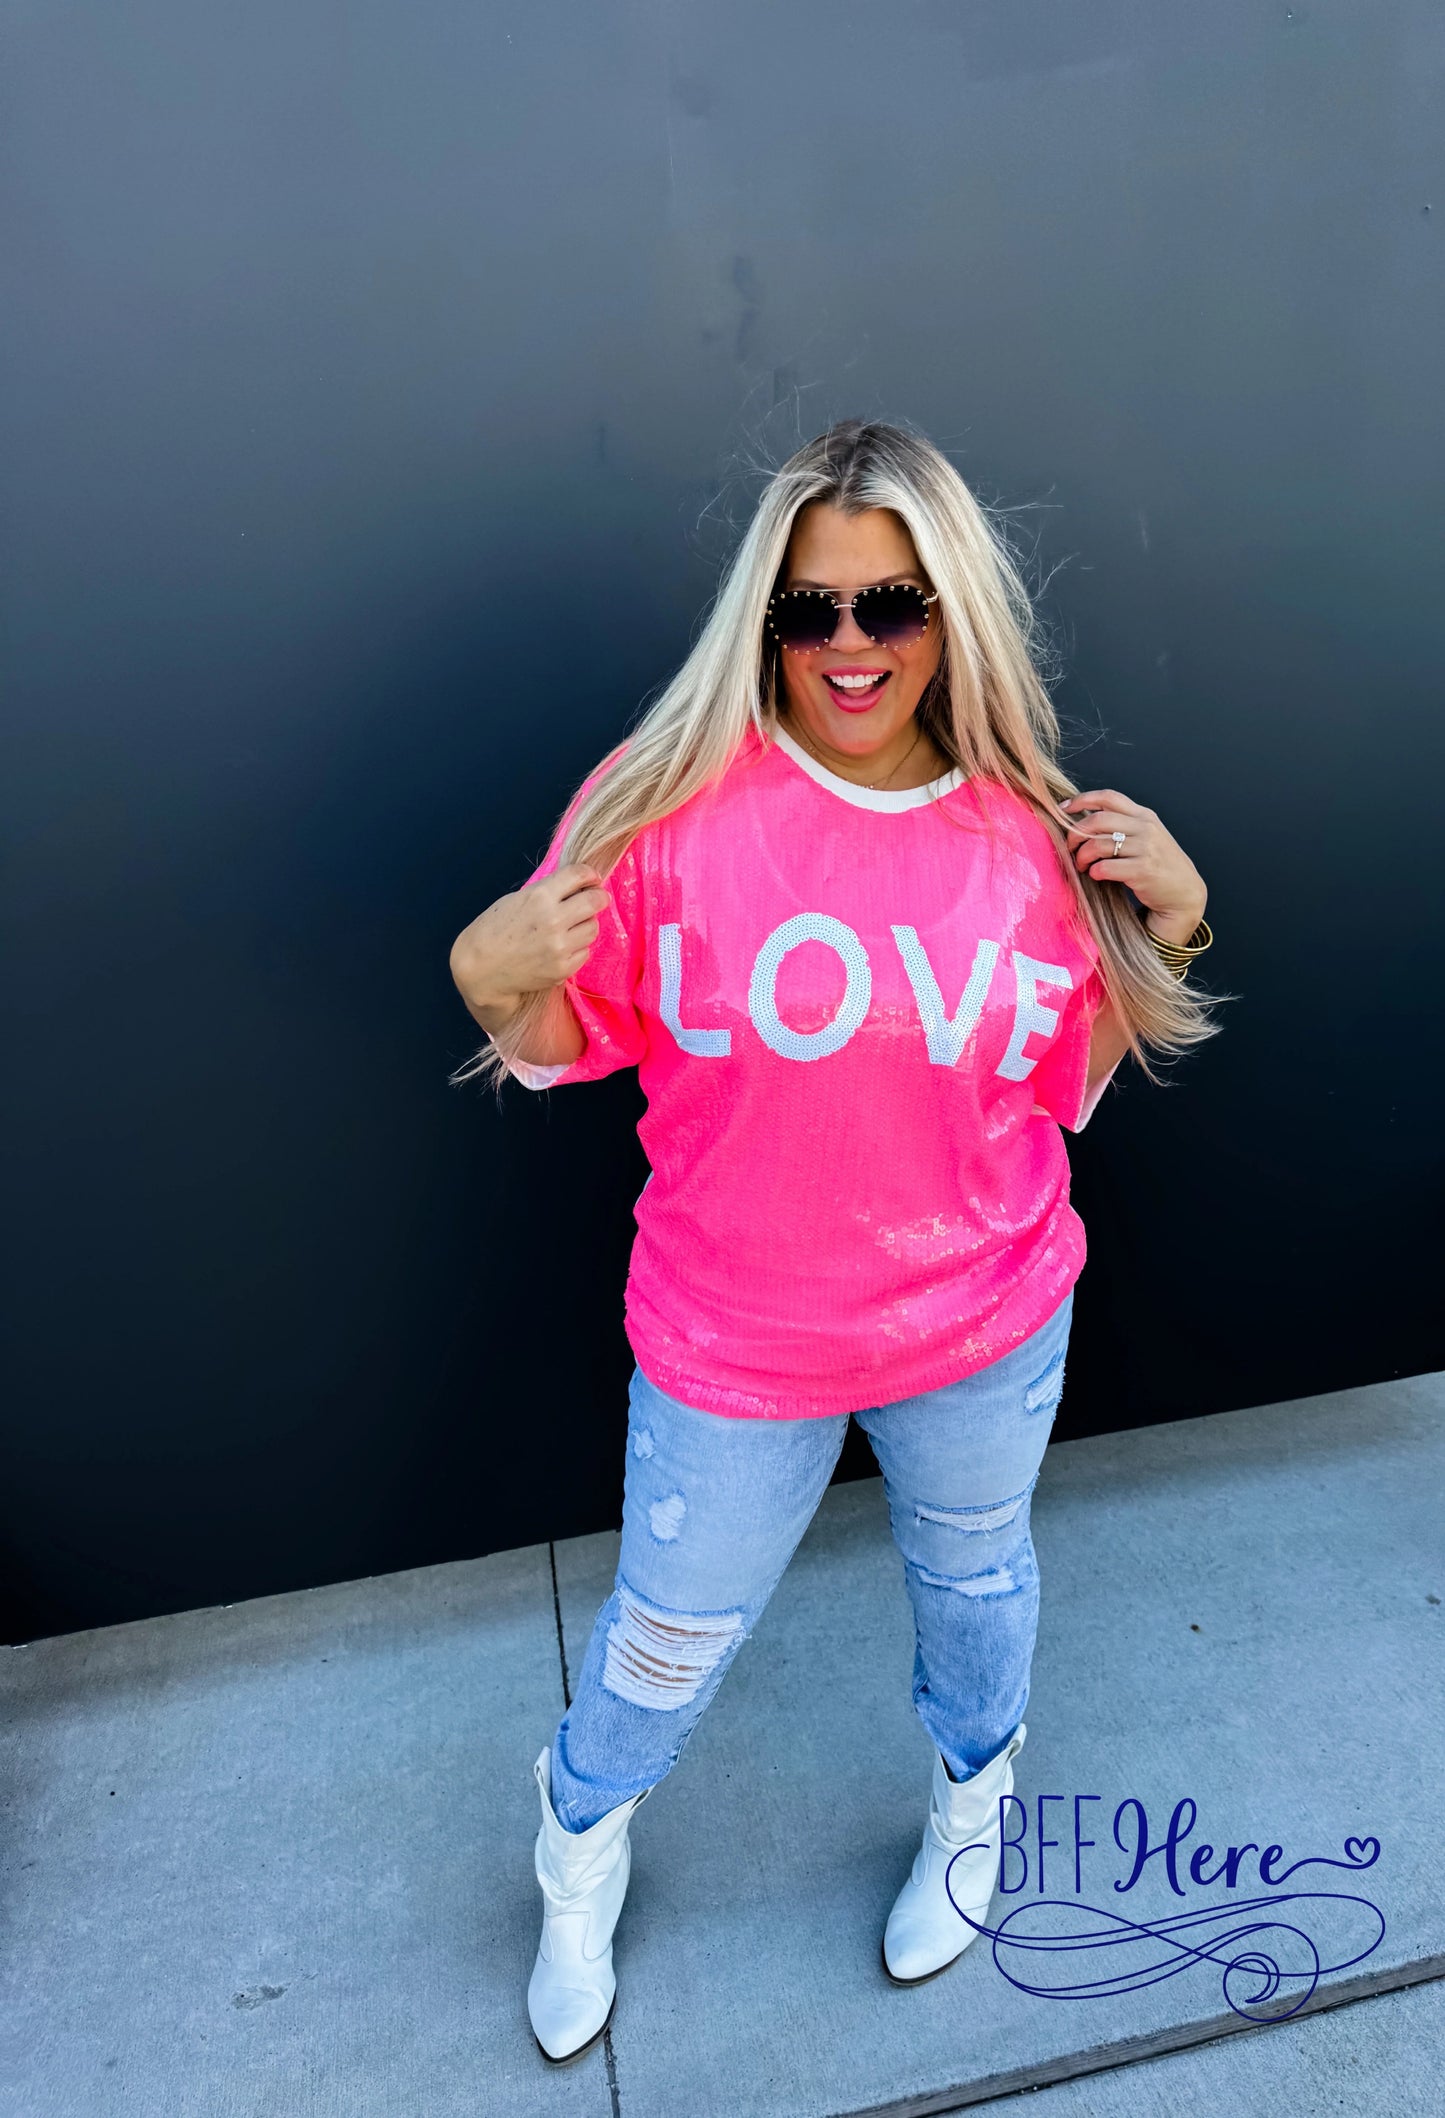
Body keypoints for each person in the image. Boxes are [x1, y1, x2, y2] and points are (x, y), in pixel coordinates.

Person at [448, 420, 1219, 2065]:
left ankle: (973, 1802)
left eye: (892, 604)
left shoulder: (1032, 829)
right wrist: (482, 974)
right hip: (733, 1342)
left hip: (983, 1323)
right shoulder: (662, 808)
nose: (849, 644)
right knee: (665, 1637)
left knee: (975, 1584)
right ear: (766, 619)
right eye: (809, 608)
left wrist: (1179, 918)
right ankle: (576, 1834)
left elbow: (1067, 1077)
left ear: (951, 612)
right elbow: (557, 1035)